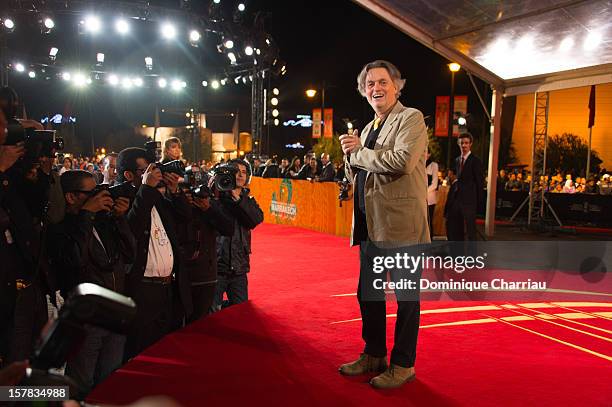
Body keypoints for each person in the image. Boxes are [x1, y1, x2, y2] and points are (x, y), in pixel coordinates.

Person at [338, 60, 429, 389]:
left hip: (402, 227)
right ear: (363, 92)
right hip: (369, 225)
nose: (376, 88)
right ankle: (374, 354)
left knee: (406, 299)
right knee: (369, 295)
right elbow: (360, 173)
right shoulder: (367, 128)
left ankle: (403, 364)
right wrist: (349, 157)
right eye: (369, 84)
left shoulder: (411, 118)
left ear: (397, 86)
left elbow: (402, 162)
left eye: (382, 82)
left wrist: (359, 153)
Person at [48, 170, 135, 396]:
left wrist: (120, 218)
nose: (98, 197)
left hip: (114, 313)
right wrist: (86, 215)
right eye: (91, 193)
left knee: (110, 379)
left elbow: (130, 253)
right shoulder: (62, 228)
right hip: (86, 319)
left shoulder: (103, 222)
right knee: (81, 382)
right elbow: (73, 260)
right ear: (71, 197)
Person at [116, 148, 192, 359]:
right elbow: (131, 229)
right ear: (129, 175)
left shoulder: (156, 198)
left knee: (164, 352)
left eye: (153, 169)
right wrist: (147, 188)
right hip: (142, 291)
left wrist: (174, 189)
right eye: (145, 170)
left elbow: (186, 217)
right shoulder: (122, 200)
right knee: (140, 353)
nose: (152, 174)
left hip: (168, 288)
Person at [212, 159, 263, 311]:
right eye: (236, 171)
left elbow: (256, 219)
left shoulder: (247, 199)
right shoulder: (218, 197)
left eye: (243, 172)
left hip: (239, 267)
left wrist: (238, 199)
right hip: (217, 266)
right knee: (212, 311)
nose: (240, 175)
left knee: (241, 311)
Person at [453, 132, 484, 241]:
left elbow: (480, 183)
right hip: (458, 200)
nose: (464, 145)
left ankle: (472, 256)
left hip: (470, 201)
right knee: (458, 230)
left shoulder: (476, 161)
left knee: (471, 231)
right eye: (462, 143)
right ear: (458, 144)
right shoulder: (457, 160)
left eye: (466, 143)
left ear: (470, 144)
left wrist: (479, 202)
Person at [425, 149, 439, 239]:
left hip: (429, 199)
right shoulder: (418, 164)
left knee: (429, 223)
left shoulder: (434, 165)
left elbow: (434, 184)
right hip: (419, 199)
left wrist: (423, 192)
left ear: (429, 154)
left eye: (425, 152)